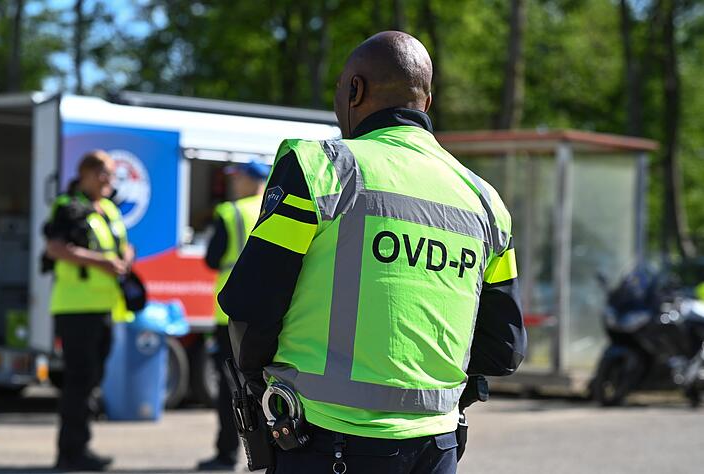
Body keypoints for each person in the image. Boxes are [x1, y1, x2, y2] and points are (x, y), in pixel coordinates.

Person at [219, 31, 527, 474]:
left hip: (324, 441)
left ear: (354, 90)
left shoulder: (320, 168)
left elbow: (249, 308)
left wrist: (261, 388)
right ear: (427, 102)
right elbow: (505, 348)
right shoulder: (485, 202)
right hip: (436, 445)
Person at [44, 150, 134, 472]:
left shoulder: (109, 208)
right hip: (75, 307)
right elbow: (55, 248)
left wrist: (125, 255)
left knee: (91, 380)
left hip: (105, 306)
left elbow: (121, 244)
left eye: (111, 175)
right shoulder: (67, 207)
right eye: (104, 174)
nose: (109, 180)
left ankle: (78, 447)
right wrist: (102, 262)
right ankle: (70, 454)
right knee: (79, 381)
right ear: (85, 174)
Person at [197, 161, 270, 471]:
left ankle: (227, 454)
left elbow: (212, 259)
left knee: (233, 390)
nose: (234, 183)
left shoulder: (231, 213)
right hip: (268, 312)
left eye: (237, 177)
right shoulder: (275, 207)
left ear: (250, 179)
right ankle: (271, 454)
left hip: (229, 316)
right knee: (266, 388)